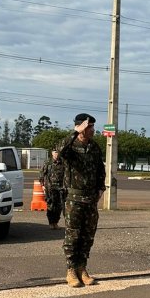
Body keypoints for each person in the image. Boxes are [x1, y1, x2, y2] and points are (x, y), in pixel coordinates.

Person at [57, 113, 106, 288]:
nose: (93, 130)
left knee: (87, 235)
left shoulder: (94, 147)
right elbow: (59, 152)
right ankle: (71, 270)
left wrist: (101, 188)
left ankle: (82, 268)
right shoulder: (70, 145)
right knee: (73, 236)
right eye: (89, 127)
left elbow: (100, 169)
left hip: (90, 199)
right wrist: (74, 132)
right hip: (74, 198)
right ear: (81, 128)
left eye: (92, 126)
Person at [40, 149, 66, 229]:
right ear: (52, 153)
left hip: (60, 188)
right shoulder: (48, 162)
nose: (56, 154)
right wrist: (42, 185)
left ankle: (56, 222)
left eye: (58, 152)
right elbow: (42, 174)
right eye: (55, 152)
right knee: (51, 205)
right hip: (50, 188)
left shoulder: (63, 162)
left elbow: (66, 175)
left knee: (59, 206)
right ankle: (51, 222)